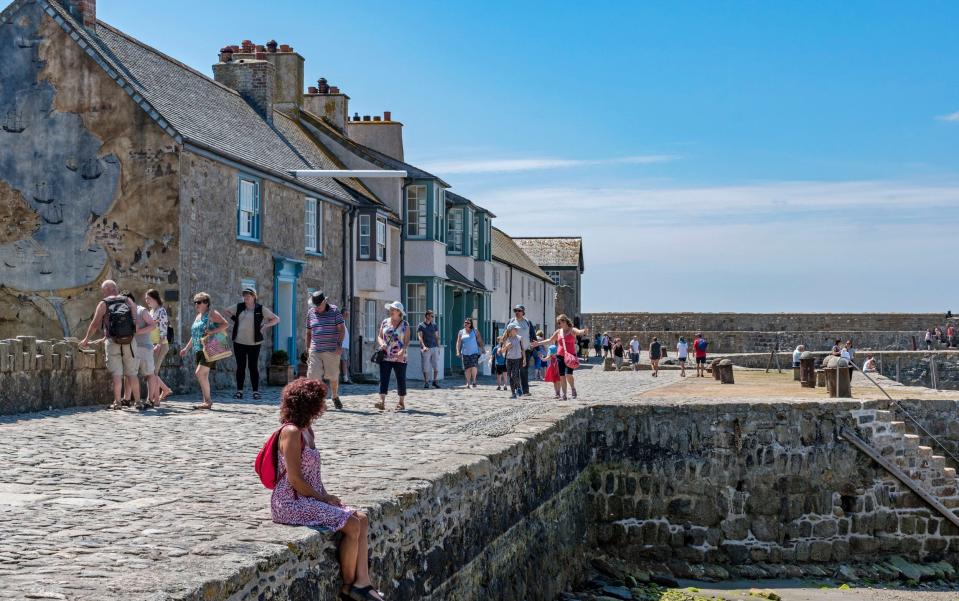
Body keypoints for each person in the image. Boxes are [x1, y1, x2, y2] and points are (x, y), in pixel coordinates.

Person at [270, 378, 384, 601]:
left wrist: (326, 497)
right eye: (320, 402)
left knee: (361, 518)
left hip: (308, 498)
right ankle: (350, 588)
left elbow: (313, 475)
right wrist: (322, 497)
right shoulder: (291, 432)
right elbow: (295, 479)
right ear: (309, 404)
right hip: (290, 502)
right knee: (351, 525)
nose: (323, 407)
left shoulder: (307, 430)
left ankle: (363, 581)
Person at [80, 280, 142, 410]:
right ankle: (138, 402)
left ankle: (118, 402)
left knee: (117, 374)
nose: (103, 293)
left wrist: (86, 339)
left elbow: (95, 324)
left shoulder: (104, 304)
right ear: (115, 288)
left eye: (103, 291)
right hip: (129, 341)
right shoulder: (128, 301)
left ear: (107, 290)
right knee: (132, 373)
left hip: (112, 341)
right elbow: (135, 321)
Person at [224, 287, 279, 401]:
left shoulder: (260, 308)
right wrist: (236, 319)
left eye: (248, 296)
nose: (246, 298)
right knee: (240, 367)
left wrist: (265, 326)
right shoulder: (239, 306)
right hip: (239, 342)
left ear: (254, 297)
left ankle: (255, 392)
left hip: (254, 343)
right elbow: (226, 311)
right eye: (244, 296)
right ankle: (239, 392)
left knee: (253, 367)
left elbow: (276, 319)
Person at [178, 292, 228, 410]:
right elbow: (194, 335)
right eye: (195, 302)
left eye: (199, 302)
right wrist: (186, 348)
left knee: (199, 373)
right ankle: (207, 401)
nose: (197, 305)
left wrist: (212, 332)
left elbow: (225, 324)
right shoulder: (198, 316)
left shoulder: (211, 313)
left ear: (206, 303)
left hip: (209, 347)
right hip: (198, 349)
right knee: (203, 375)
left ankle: (208, 400)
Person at [304, 291, 345, 409]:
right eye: (315, 306)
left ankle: (335, 396)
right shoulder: (311, 312)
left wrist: (339, 345)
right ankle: (318, 401)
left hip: (331, 349)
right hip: (315, 349)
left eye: (319, 305)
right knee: (313, 375)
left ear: (324, 301)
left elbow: (341, 329)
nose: (317, 308)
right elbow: (308, 332)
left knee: (332, 376)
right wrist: (307, 348)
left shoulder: (334, 311)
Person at [534, 314, 588, 400]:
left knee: (568, 374)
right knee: (562, 375)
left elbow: (580, 332)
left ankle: (573, 388)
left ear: (565, 321)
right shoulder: (559, 332)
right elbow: (550, 340)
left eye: (561, 322)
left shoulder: (572, 330)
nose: (560, 324)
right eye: (558, 323)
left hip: (570, 356)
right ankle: (564, 394)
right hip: (560, 356)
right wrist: (538, 343)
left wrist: (584, 331)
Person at [375, 301, 410, 411]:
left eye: (393, 309)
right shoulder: (385, 322)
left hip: (400, 357)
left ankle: (401, 402)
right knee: (383, 378)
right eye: (390, 309)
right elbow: (380, 336)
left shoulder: (405, 325)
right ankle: (382, 401)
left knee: (401, 379)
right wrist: (382, 344)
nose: (391, 311)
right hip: (386, 356)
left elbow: (407, 341)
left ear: (399, 312)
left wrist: (403, 350)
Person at [126, 291, 157, 410]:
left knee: (150, 374)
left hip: (145, 347)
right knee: (130, 374)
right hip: (132, 347)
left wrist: (139, 332)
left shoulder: (141, 310)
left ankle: (150, 400)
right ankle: (127, 399)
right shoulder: (125, 313)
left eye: (127, 301)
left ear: (132, 300)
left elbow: (153, 325)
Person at [145, 289, 173, 406]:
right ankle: (164, 391)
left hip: (160, 345)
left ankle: (152, 399)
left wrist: (159, 345)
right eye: (146, 299)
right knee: (151, 372)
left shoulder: (161, 311)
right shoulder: (151, 311)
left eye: (148, 298)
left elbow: (163, 330)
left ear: (155, 298)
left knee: (152, 373)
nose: (146, 301)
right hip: (153, 345)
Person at [506, 305, 535, 395]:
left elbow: (533, 336)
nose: (517, 312)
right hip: (512, 352)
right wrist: (503, 346)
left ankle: (525, 391)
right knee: (513, 372)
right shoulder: (511, 322)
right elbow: (505, 334)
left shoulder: (528, 322)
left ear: (523, 312)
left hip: (525, 350)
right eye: (515, 310)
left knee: (523, 370)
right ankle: (515, 389)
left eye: (519, 310)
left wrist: (533, 348)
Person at [456, 318, 485, 388]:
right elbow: (458, 342)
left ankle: (474, 380)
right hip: (465, 353)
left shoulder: (475, 331)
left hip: (474, 352)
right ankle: (468, 383)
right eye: (465, 322)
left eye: (468, 323)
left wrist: (482, 348)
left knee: (474, 366)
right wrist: (457, 351)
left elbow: (479, 340)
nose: (466, 324)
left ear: (471, 324)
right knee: (467, 368)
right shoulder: (461, 332)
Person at [416, 309, 441, 389]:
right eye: (431, 316)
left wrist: (438, 347)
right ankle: (426, 382)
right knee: (425, 366)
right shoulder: (421, 325)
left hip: (434, 348)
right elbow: (420, 337)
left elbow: (437, 337)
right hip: (426, 348)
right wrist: (423, 346)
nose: (432, 317)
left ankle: (435, 381)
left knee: (436, 366)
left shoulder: (434, 325)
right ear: (427, 316)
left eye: (433, 316)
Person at [501, 323, 526, 399]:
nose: (517, 330)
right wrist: (506, 347)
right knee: (510, 377)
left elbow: (523, 349)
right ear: (511, 330)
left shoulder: (520, 338)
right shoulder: (506, 339)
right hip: (509, 359)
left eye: (517, 329)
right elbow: (502, 351)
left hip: (517, 359)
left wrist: (524, 359)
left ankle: (518, 387)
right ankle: (513, 394)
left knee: (514, 375)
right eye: (515, 329)